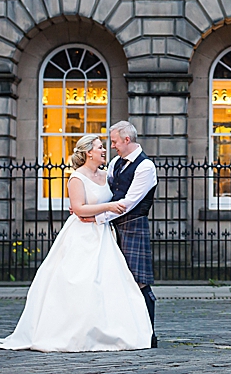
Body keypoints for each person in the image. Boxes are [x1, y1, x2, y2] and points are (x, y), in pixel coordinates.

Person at [0, 134, 153, 352]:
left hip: (103, 233)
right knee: (77, 282)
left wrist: (103, 210)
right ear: (89, 153)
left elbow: (112, 198)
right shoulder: (76, 177)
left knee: (107, 284)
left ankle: (104, 329)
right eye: (100, 147)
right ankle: (73, 331)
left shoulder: (107, 175)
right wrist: (106, 207)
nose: (105, 149)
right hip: (82, 234)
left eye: (105, 146)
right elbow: (78, 208)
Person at [90, 120, 159, 348]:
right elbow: (107, 194)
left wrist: (95, 217)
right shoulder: (115, 164)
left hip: (133, 227)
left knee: (139, 283)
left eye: (115, 142)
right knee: (114, 281)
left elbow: (128, 203)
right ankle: (123, 333)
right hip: (112, 227)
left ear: (126, 140)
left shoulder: (145, 167)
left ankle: (148, 335)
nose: (112, 146)